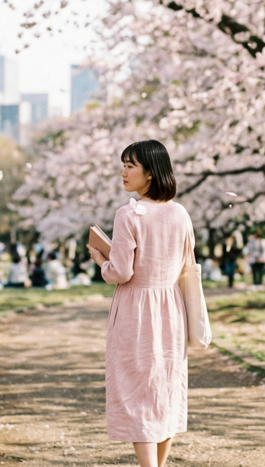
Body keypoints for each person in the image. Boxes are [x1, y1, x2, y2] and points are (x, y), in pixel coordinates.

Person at [87, 139, 193, 467]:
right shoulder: (180, 213)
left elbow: (121, 272)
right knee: (165, 387)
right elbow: (187, 264)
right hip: (171, 308)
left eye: (130, 166)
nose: (123, 172)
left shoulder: (129, 214)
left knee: (135, 390)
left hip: (136, 308)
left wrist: (99, 260)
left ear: (150, 173)